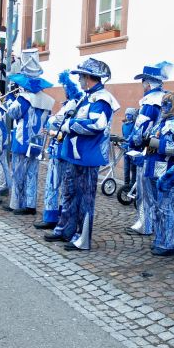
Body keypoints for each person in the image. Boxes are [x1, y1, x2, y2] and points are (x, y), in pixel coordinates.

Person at [44, 58, 120, 251]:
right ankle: (65, 230)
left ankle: (82, 238)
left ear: (88, 77)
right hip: (74, 154)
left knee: (86, 199)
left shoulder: (102, 99)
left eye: (81, 76)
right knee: (69, 194)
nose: (78, 80)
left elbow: (97, 125)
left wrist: (69, 125)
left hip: (88, 156)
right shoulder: (87, 97)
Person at [5, 49, 55, 214]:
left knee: (18, 172)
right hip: (37, 141)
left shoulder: (24, 98)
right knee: (33, 172)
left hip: (22, 140)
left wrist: (10, 99)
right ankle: (30, 205)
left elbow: (13, 113)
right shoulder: (47, 101)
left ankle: (17, 203)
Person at [34, 71, 84, 229]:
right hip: (61, 146)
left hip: (60, 148)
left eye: (65, 88)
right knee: (60, 184)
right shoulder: (72, 104)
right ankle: (60, 215)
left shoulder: (71, 104)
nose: (64, 91)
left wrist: (50, 124)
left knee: (54, 183)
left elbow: (57, 123)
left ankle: (51, 217)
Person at [127, 62, 172, 236]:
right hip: (157, 150)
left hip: (147, 150)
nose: (142, 86)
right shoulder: (164, 99)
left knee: (145, 191)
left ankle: (145, 224)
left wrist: (131, 143)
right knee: (155, 191)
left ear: (147, 83)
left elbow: (141, 129)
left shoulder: (150, 102)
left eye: (143, 82)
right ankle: (151, 224)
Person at [147, 92, 174, 256]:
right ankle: (159, 239)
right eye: (162, 103)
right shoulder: (161, 122)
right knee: (157, 207)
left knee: (166, 207)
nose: (163, 106)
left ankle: (167, 244)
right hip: (153, 167)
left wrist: (155, 143)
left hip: (167, 171)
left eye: (167, 103)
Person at [121, 108, 137, 188]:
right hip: (125, 149)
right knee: (126, 167)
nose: (127, 116)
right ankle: (126, 184)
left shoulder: (134, 125)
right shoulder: (123, 125)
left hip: (132, 149)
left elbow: (132, 135)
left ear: (133, 116)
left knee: (133, 168)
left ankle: (132, 184)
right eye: (126, 114)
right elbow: (123, 136)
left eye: (130, 115)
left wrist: (129, 142)